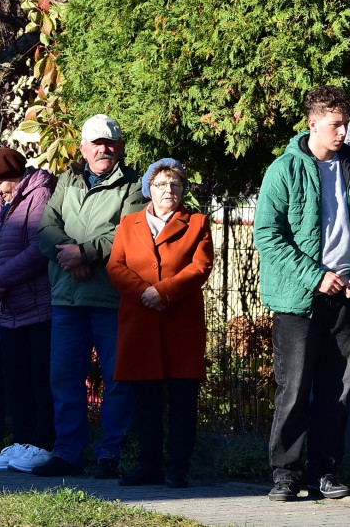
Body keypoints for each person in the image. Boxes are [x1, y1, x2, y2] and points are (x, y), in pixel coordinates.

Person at [254, 86, 350, 501]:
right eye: (335, 124)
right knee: (294, 389)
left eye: (346, 123)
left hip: (347, 295)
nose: (343, 131)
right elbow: (268, 236)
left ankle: (324, 473)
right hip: (299, 298)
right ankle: (286, 475)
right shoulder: (284, 169)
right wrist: (314, 276)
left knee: (337, 391)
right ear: (312, 123)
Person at [34, 114, 146, 478]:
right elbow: (46, 227)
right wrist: (70, 254)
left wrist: (84, 254)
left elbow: (128, 234)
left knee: (118, 380)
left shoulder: (133, 186)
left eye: (110, 143)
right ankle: (68, 453)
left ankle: (111, 453)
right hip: (67, 297)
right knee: (65, 379)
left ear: (121, 147)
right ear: (83, 148)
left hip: (112, 300)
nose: (103, 149)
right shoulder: (67, 181)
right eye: (96, 143)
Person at [107, 158, 214, 488]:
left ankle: (178, 467)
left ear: (183, 190)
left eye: (176, 184)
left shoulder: (197, 223)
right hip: (140, 322)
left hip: (180, 323)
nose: (169, 190)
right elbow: (115, 267)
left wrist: (164, 292)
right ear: (148, 189)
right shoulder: (128, 224)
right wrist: (144, 293)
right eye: (161, 184)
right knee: (145, 400)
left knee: (183, 399)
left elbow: (200, 267)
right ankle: (149, 465)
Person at [0, 148, 57, 473]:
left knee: (40, 377)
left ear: (15, 177)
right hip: (9, 309)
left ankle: (43, 443)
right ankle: (23, 441)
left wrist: (0, 279)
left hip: (39, 307)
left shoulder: (40, 194)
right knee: (16, 378)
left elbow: (40, 247)